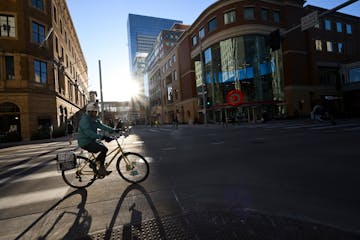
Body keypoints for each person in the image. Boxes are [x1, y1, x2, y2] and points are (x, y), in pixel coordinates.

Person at [77, 102, 119, 177]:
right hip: (85, 142)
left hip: (91, 140)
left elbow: (102, 126)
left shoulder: (94, 119)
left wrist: (113, 130)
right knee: (104, 149)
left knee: (103, 148)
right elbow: (89, 133)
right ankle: (101, 169)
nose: (96, 113)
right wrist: (102, 136)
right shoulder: (85, 120)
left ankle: (94, 163)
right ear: (89, 111)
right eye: (94, 112)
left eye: (96, 112)